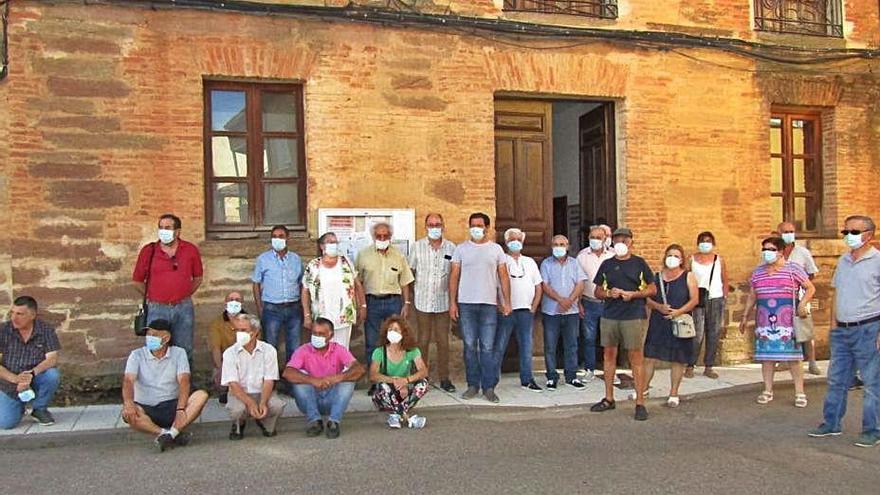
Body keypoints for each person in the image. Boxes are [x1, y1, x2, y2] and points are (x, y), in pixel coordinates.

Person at [809, 215, 880, 448]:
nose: (848, 236)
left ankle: (872, 429)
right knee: (837, 379)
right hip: (842, 330)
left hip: (869, 328)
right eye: (846, 231)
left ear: (868, 235)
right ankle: (831, 423)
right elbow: (836, 293)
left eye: (854, 232)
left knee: (872, 382)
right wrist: (832, 326)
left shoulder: (877, 261)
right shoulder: (844, 261)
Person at [739, 237, 815, 408]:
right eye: (765, 249)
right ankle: (767, 390)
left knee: (794, 358)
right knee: (767, 358)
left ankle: (799, 392)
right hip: (764, 320)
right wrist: (745, 316)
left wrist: (802, 304)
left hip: (788, 321)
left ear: (781, 251)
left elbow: (810, 287)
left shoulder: (793, 269)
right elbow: (752, 295)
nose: (767, 252)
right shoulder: (758, 272)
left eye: (771, 249)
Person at [590, 227, 656, 421]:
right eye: (618, 239)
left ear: (631, 242)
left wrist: (634, 294)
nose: (622, 243)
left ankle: (640, 402)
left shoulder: (639, 263)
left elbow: (651, 289)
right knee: (609, 355)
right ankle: (609, 398)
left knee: (636, 357)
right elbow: (597, 291)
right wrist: (610, 293)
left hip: (633, 315)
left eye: (625, 240)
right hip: (610, 315)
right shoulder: (607, 264)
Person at [449, 212, 512, 403]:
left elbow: (503, 277)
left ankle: (489, 386)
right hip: (466, 304)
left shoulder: (496, 250)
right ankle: (472, 385)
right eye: (473, 224)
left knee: (487, 347)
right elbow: (454, 276)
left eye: (479, 225)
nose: (476, 228)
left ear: (487, 227)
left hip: (489, 305)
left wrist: (506, 301)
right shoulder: (461, 249)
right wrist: (452, 302)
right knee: (469, 346)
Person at [121, 319, 209, 452]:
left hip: (171, 405)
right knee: (128, 414)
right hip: (146, 407)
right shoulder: (136, 355)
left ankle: (171, 433)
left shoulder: (179, 353)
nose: (149, 338)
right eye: (148, 335)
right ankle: (166, 434)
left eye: (154, 335)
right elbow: (128, 380)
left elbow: (184, 381)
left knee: (201, 395)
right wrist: (128, 403)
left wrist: (180, 409)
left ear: (166, 338)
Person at [132, 213, 204, 365]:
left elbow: (197, 278)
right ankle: (156, 384)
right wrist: (153, 296)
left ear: (177, 231)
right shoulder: (149, 251)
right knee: (155, 348)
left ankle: (184, 385)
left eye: (168, 227)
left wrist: (182, 294)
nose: (163, 231)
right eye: (161, 227)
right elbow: (137, 280)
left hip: (183, 307)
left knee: (184, 349)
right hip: (157, 307)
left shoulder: (190, 250)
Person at [283, 318, 365, 439]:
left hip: (333, 398)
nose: (317, 337)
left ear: (330, 335)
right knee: (298, 378)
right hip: (310, 399)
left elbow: (359, 369)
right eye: (314, 333)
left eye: (321, 334)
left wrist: (337, 378)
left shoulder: (339, 349)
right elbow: (287, 373)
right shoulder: (303, 350)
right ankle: (314, 421)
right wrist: (313, 380)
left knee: (348, 382)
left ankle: (334, 422)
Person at [356, 222, 415, 376]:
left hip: (393, 302)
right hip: (371, 302)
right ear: (373, 236)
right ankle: (375, 379)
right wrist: (360, 305)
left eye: (385, 236)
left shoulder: (399, 255)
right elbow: (358, 283)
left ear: (390, 237)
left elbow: (405, 281)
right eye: (378, 236)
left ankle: (394, 376)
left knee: (395, 340)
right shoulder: (363, 255)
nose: (382, 238)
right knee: (372, 342)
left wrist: (406, 303)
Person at [643, 245, 700, 407]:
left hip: (679, 322)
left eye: (676, 255)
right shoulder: (656, 277)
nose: (672, 258)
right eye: (669, 255)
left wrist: (678, 312)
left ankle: (674, 393)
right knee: (649, 357)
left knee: (678, 358)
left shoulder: (688, 277)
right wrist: (658, 307)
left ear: (682, 259)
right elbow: (647, 298)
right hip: (658, 321)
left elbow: (694, 300)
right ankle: (644, 389)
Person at [408, 213, 457, 393]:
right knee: (422, 340)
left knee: (443, 341)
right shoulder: (417, 247)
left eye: (437, 224)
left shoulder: (451, 247)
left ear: (443, 226)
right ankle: (421, 377)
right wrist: (414, 292)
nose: (434, 227)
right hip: (422, 300)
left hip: (443, 301)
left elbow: (455, 273)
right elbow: (410, 273)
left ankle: (445, 378)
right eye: (431, 224)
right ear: (425, 226)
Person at [0, 296, 61, 429]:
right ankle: (19, 405)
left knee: (52, 375)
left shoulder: (45, 330)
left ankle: (39, 408)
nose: (14, 318)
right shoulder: (3, 330)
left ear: (32, 315)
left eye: (20, 314)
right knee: (6, 423)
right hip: (10, 380)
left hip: (35, 375)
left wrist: (31, 374)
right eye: (12, 313)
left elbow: (52, 358)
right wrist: (16, 379)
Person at [222, 314, 286, 440]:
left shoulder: (269, 350)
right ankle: (239, 424)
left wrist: (262, 402)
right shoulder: (230, 353)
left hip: (262, 391)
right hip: (240, 393)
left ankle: (265, 422)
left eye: (243, 330)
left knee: (277, 405)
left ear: (255, 332)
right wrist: (250, 403)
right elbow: (233, 384)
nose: (239, 334)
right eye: (237, 330)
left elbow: (269, 379)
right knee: (237, 410)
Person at [495, 228, 543, 391]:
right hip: (506, 311)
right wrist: (500, 306)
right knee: (499, 345)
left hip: (526, 311)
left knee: (526, 346)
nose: (515, 242)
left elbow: (538, 286)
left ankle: (527, 379)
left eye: (518, 239)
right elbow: (494, 286)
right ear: (506, 242)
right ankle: (491, 380)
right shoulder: (501, 261)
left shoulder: (529, 262)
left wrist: (534, 306)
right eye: (512, 239)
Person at [302, 232, 366, 349]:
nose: (334, 245)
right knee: (322, 349)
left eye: (336, 242)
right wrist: (307, 315)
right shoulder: (313, 266)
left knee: (342, 349)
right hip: (322, 317)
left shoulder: (345, 262)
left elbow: (357, 284)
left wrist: (363, 306)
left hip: (343, 316)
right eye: (331, 242)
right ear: (322, 246)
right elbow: (305, 290)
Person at [540, 235, 587, 390]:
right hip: (551, 311)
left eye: (562, 244)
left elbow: (580, 284)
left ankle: (571, 376)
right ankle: (552, 377)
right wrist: (561, 300)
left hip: (571, 312)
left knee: (571, 345)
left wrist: (570, 300)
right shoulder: (546, 264)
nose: (558, 247)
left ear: (567, 246)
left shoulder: (575, 263)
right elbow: (544, 285)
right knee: (550, 345)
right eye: (555, 244)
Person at [252, 224, 304, 364]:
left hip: (294, 308)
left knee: (294, 347)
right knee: (270, 347)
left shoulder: (296, 259)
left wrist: (304, 307)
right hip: (271, 308)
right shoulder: (263, 259)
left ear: (288, 238)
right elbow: (256, 283)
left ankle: (291, 382)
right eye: (274, 237)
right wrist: (260, 307)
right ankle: (271, 382)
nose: (277, 239)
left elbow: (301, 284)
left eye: (281, 236)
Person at [777, 221, 822, 375]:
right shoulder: (775, 252)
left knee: (806, 329)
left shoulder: (802, 252)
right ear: (778, 233)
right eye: (785, 231)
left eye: (791, 231)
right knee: (783, 329)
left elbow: (812, 272)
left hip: (801, 297)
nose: (789, 234)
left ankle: (812, 362)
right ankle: (784, 361)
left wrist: (803, 284)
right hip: (781, 298)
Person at [370, 316, 430, 429]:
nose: (392, 332)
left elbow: (423, 371)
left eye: (396, 329)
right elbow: (373, 375)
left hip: (405, 393)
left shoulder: (412, 351)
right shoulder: (379, 352)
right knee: (382, 385)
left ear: (404, 333)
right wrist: (395, 381)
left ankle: (396, 414)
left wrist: (406, 381)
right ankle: (407, 417)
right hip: (386, 395)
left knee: (424, 384)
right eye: (390, 329)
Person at [687, 231, 729, 379]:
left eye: (708, 241)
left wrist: (724, 297)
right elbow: (687, 278)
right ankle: (690, 365)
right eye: (703, 241)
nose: (705, 243)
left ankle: (709, 365)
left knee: (713, 333)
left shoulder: (719, 260)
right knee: (696, 334)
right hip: (697, 299)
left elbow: (725, 279)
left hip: (715, 299)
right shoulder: (691, 259)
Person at [576, 225, 614, 380]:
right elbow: (577, 281)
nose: (595, 240)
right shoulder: (582, 256)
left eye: (598, 237)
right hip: (588, 302)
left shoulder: (612, 256)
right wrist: (578, 303)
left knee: (610, 339)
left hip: (610, 303)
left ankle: (610, 371)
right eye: (592, 237)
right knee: (589, 338)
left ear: (605, 239)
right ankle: (589, 368)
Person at [208, 291, 247, 404]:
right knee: (218, 375)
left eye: (237, 300)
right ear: (225, 303)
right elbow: (216, 348)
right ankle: (225, 391)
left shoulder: (251, 321)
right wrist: (221, 370)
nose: (234, 302)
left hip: (246, 359)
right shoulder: (216, 323)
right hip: (226, 361)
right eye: (231, 299)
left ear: (242, 303)